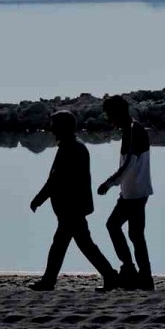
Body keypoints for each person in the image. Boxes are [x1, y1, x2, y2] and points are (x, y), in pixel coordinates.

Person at [29, 110, 120, 292]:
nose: (52, 129)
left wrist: (38, 199)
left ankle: (49, 281)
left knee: (64, 245)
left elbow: (56, 180)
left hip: (71, 207)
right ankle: (110, 276)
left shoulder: (71, 148)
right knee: (79, 244)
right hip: (72, 207)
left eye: (55, 125)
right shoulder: (73, 146)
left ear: (63, 127)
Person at [97, 95, 154, 291]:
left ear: (118, 112)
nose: (109, 119)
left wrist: (109, 183)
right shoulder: (133, 129)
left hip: (134, 192)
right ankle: (142, 276)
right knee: (134, 234)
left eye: (110, 114)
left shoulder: (131, 131)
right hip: (135, 190)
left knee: (115, 227)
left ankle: (133, 271)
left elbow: (129, 164)